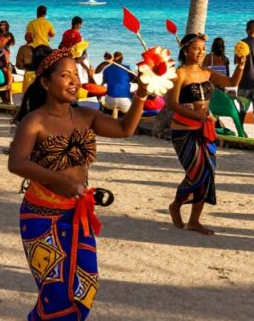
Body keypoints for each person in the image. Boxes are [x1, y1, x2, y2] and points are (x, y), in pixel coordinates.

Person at [8, 46, 149, 319]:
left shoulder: (86, 116)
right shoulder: (34, 121)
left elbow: (124, 129)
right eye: (65, 75)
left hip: (77, 212)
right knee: (57, 294)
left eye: (76, 74)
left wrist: (141, 95)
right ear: (46, 83)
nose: (75, 81)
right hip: (41, 216)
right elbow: (17, 163)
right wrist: (60, 180)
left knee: (86, 286)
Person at [166, 33, 245, 235]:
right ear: (185, 51)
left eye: (203, 48)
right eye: (196, 48)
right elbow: (172, 103)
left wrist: (241, 64)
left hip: (204, 129)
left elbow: (231, 81)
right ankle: (176, 205)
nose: (201, 52)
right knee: (196, 172)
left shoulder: (207, 73)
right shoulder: (180, 73)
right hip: (183, 131)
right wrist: (195, 114)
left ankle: (194, 220)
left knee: (208, 173)